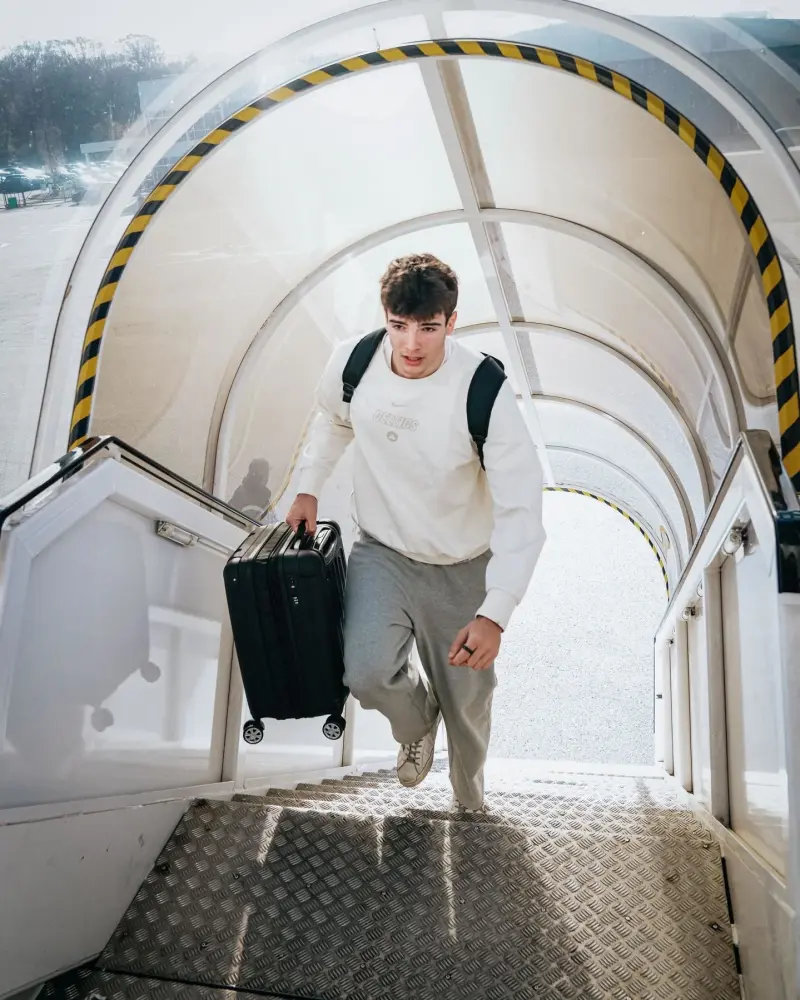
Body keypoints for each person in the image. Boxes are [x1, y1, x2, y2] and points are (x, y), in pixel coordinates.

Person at [286, 253, 545, 812]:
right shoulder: (354, 362)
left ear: (451, 323)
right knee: (366, 673)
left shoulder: (483, 390)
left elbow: (522, 508)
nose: (411, 344)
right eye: (399, 326)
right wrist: (308, 486)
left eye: (428, 328)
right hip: (383, 553)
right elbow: (332, 420)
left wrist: (495, 611)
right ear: (386, 316)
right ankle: (415, 723)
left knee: (468, 703)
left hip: (462, 565)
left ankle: (470, 800)